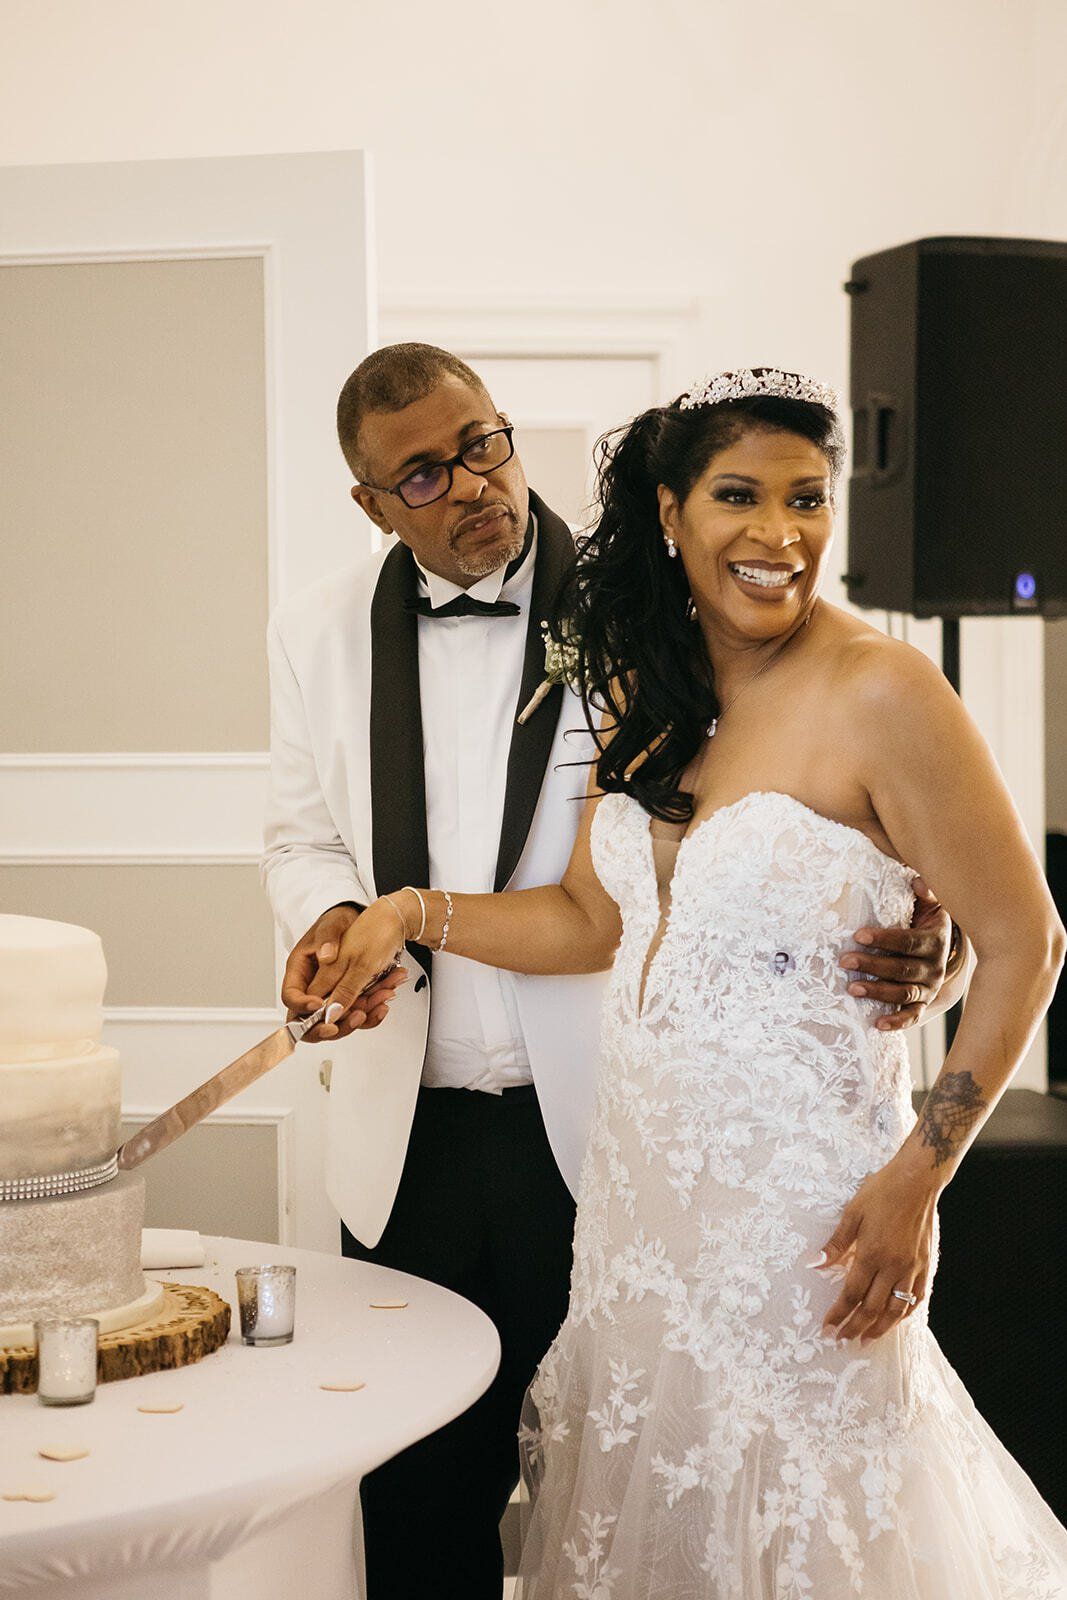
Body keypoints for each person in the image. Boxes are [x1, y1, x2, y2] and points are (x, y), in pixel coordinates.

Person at [310, 368, 1067, 1598]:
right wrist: (410, 913)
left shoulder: (884, 691)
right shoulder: (649, 698)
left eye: (807, 500)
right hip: (640, 1218)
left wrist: (916, 1178)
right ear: (669, 513)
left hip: (805, 1220)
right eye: (738, 497)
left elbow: (1027, 941)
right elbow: (585, 917)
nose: (778, 537)